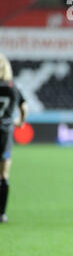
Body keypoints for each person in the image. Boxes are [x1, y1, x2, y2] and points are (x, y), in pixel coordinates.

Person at [0, 53, 28, 223]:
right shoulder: (13, 87)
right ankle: (2, 213)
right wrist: (20, 122)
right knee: (3, 175)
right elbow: (24, 107)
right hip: (5, 134)